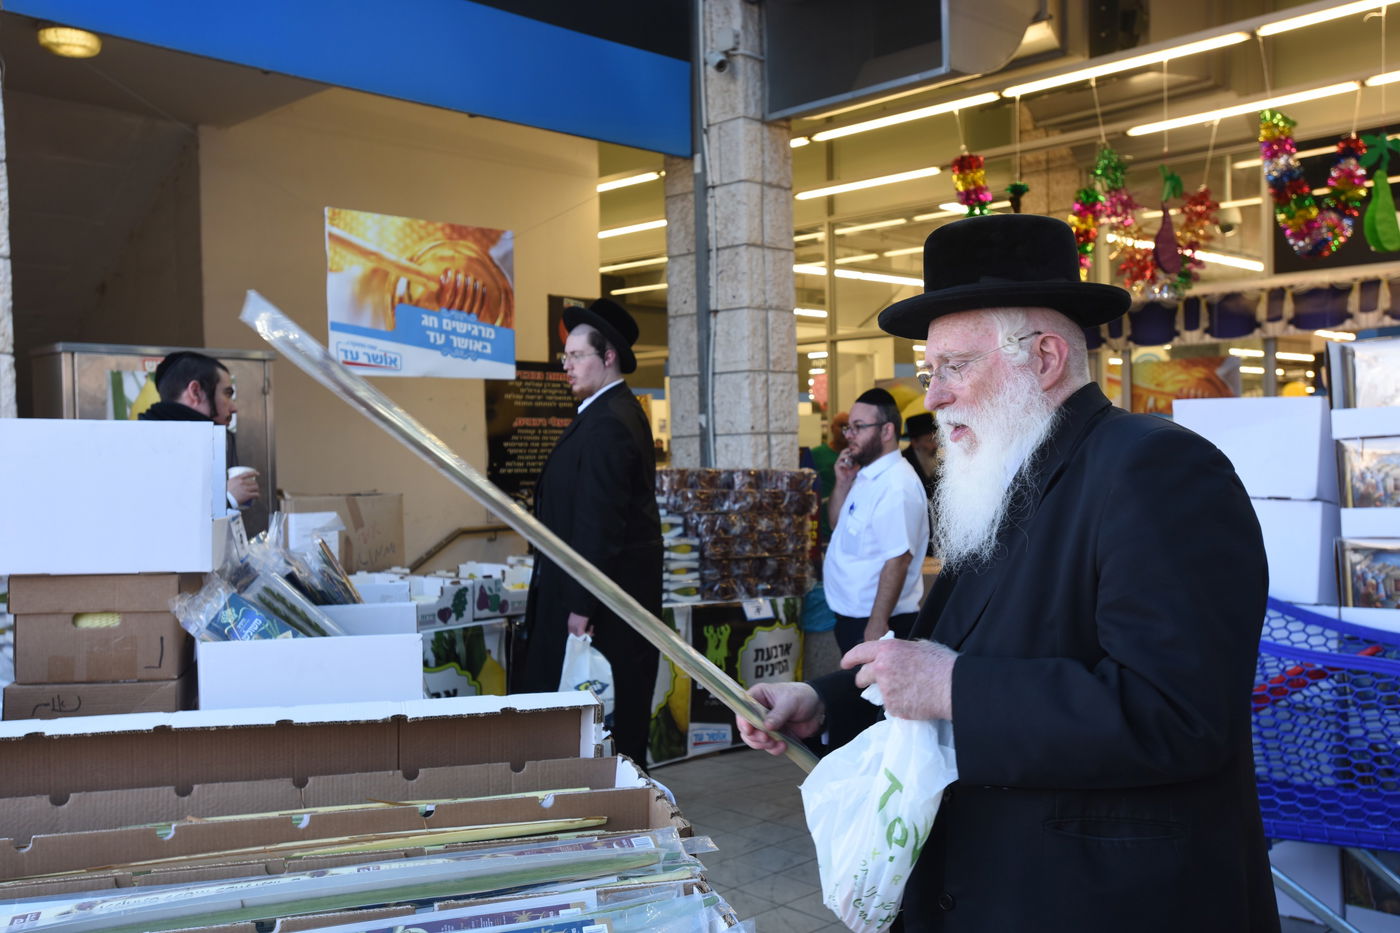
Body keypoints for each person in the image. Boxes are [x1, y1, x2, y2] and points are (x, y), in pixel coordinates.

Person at [739, 213, 1277, 932]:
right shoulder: (1003, 478)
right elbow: (949, 651)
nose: (931, 397)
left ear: (1046, 357)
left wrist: (951, 685)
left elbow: (1176, 714)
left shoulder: (1157, 469)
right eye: (930, 372)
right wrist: (824, 700)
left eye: (953, 367)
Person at [518, 297, 661, 766]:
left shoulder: (610, 423)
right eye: (566, 357)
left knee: (603, 730)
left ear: (609, 356)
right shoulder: (603, 414)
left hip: (597, 616)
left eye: (576, 356)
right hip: (586, 602)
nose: (567, 366)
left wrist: (582, 606)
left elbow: (600, 523)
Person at [824, 388, 930, 653]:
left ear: (887, 431)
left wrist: (877, 623)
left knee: (872, 695)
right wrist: (842, 483)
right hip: (853, 618)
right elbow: (837, 525)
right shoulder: (866, 475)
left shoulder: (897, 485)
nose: (849, 436)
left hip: (878, 622)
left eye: (859, 427)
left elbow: (898, 559)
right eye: (849, 428)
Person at [138, 351, 260, 511]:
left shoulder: (195, 439)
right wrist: (227, 498)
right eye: (227, 394)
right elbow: (163, 514)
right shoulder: (148, 445)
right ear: (195, 392)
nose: (234, 408)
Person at [809, 411, 848, 545]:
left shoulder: (858, 456)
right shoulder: (815, 454)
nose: (845, 431)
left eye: (849, 427)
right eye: (842, 426)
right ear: (832, 428)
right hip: (822, 524)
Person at [901, 411, 939, 498]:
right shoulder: (904, 466)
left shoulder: (938, 462)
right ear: (915, 442)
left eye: (935, 439)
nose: (935, 445)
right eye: (930, 440)